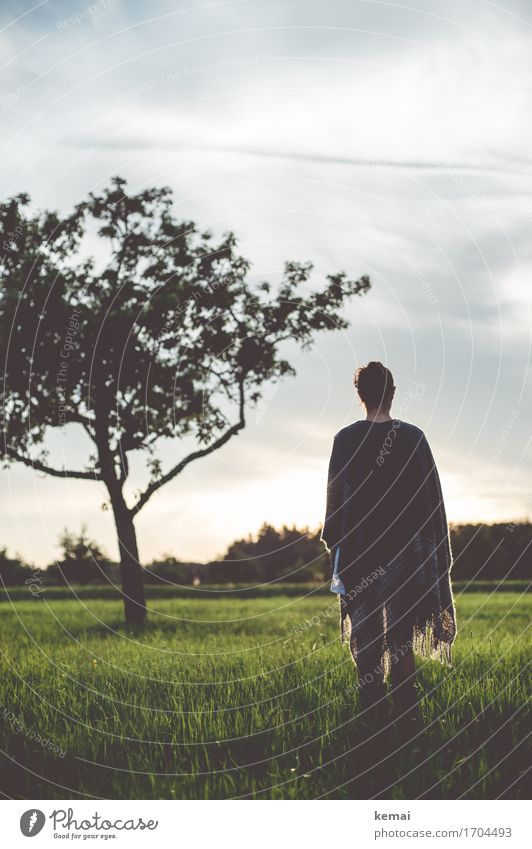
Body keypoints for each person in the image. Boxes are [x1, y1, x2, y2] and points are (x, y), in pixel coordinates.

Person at [321, 361, 456, 728]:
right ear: (392, 392)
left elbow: (337, 508)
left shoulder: (345, 440)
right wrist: (433, 551)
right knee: (401, 641)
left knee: (366, 640)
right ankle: (408, 720)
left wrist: (339, 550)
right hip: (408, 557)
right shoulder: (413, 438)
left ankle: (372, 719)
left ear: (360, 395)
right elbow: (432, 502)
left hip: (362, 558)